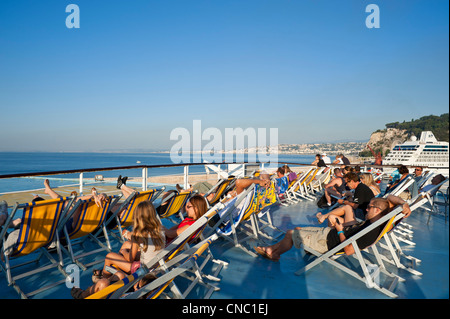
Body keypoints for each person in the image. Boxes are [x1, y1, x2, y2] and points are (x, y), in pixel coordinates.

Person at [254, 195, 411, 260]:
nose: (366, 209)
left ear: (377, 210)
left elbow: (348, 250)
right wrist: (403, 204)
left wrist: (340, 229)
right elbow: (390, 198)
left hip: (327, 243)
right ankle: (272, 250)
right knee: (298, 230)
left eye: (369, 207)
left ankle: (274, 253)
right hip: (328, 233)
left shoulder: (371, 230)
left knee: (290, 233)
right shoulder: (381, 219)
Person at [93, 201, 166, 282]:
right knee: (127, 244)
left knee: (109, 256)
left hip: (143, 270)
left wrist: (124, 252)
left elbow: (130, 259)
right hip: (156, 265)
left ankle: (104, 280)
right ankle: (112, 270)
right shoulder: (160, 228)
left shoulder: (138, 234)